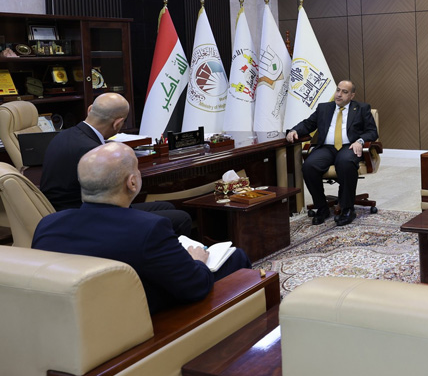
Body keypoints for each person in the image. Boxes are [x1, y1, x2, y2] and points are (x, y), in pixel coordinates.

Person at [33, 142, 251, 314]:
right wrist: (197, 261)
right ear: (132, 183)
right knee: (236, 257)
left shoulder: (48, 225)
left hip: (76, 320)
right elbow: (195, 287)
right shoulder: (148, 229)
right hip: (138, 322)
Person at [39, 93, 192, 236]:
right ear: (117, 123)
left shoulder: (63, 135)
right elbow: (113, 198)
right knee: (181, 218)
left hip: (63, 213)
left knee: (166, 207)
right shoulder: (94, 152)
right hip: (86, 220)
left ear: (90, 110)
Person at [286, 80, 378, 227]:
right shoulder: (324, 108)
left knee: (345, 163)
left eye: (344, 92)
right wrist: (294, 130)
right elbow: (308, 124)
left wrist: (360, 141)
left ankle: (347, 210)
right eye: (338, 90)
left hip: (349, 146)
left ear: (352, 95)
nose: (339, 94)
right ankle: (322, 208)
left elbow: (372, 132)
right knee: (309, 166)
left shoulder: (362, 108)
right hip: (327, 148)